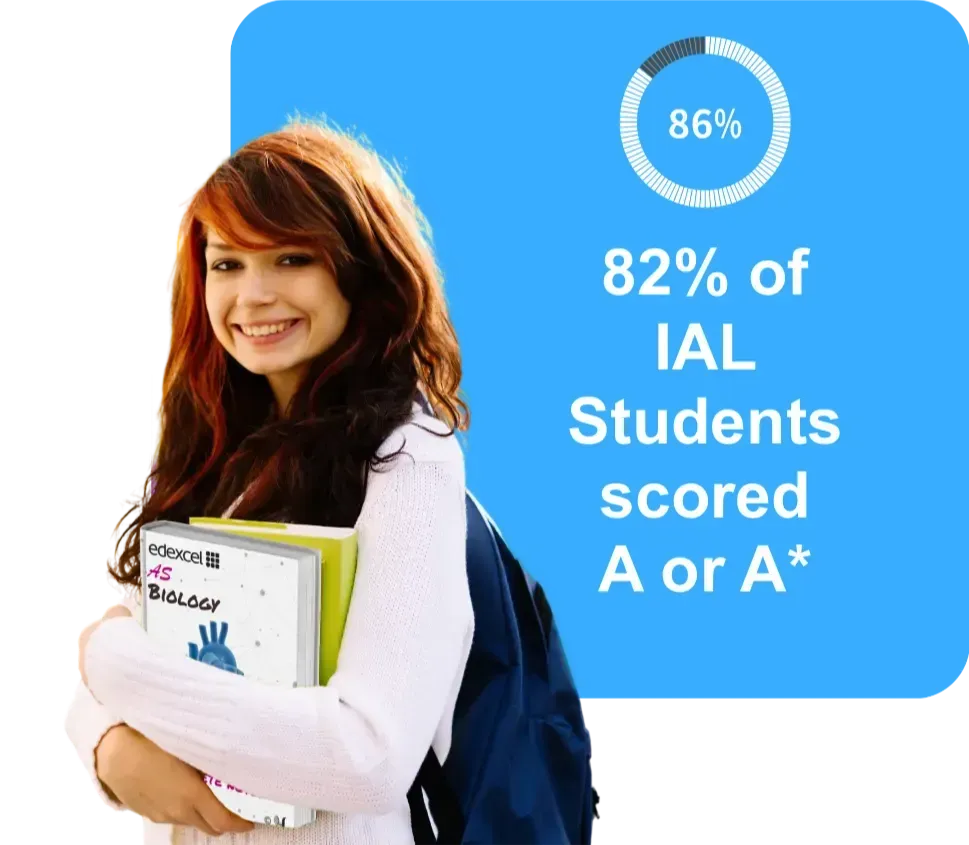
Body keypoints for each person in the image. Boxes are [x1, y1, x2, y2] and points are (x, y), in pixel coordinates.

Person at [66, 117, 475, 845]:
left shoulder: (407, 457)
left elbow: (366, 753)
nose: (252, 296)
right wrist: (106, 748)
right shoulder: (217, 449)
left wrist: (106, 657)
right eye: (227, 264)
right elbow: (91, 689)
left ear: (361, 268)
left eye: (290, 259)